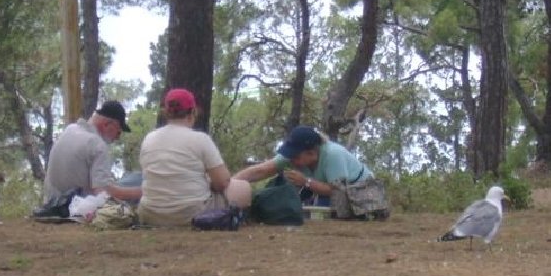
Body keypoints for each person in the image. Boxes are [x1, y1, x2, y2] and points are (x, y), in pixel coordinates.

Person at [137, 88, 251, 227]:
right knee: (243, 187)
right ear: (192, 112)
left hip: (150, 214)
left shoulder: (148, 139)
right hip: (192, 214)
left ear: (166, 113)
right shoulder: (200, 139)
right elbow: (223, 182)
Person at [234, 125, 374, 206]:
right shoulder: (295, 156)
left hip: (361, 193)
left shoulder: (333, 155)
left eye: (296, 157)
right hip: (327, 192)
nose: (292, 160)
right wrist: (231, 184)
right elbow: (262, 170)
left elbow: (337, 191)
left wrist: (305, 182)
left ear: (312, 153)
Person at [42, 100, 142, 204]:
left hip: (51, 205)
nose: (117, 138)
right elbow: (103, 192)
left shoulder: (70, 129)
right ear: (107, 124)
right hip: (75, 210)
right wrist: (142, 192)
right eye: (118, 132)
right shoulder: (97, 144)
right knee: (138, 179)